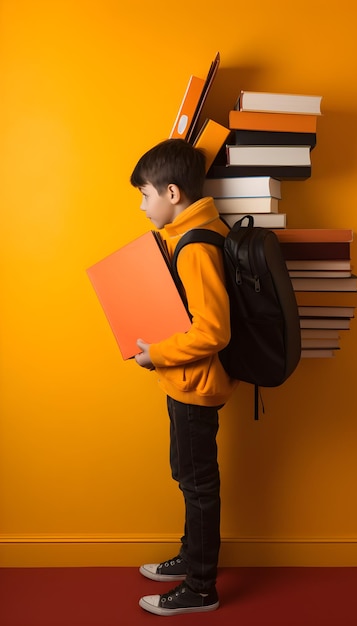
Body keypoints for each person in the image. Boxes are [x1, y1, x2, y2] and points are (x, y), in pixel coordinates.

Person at [129, 138, 238, 616]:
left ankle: (200, 587)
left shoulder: (195, 247)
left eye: (145, 194)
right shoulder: (197, 231)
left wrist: (156, 353)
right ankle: (191, 556)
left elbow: (213, 330)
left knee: (197, 484)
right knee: (188, 475)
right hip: (186, 383)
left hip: (194, 386)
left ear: (172, 193)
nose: (141, 204)